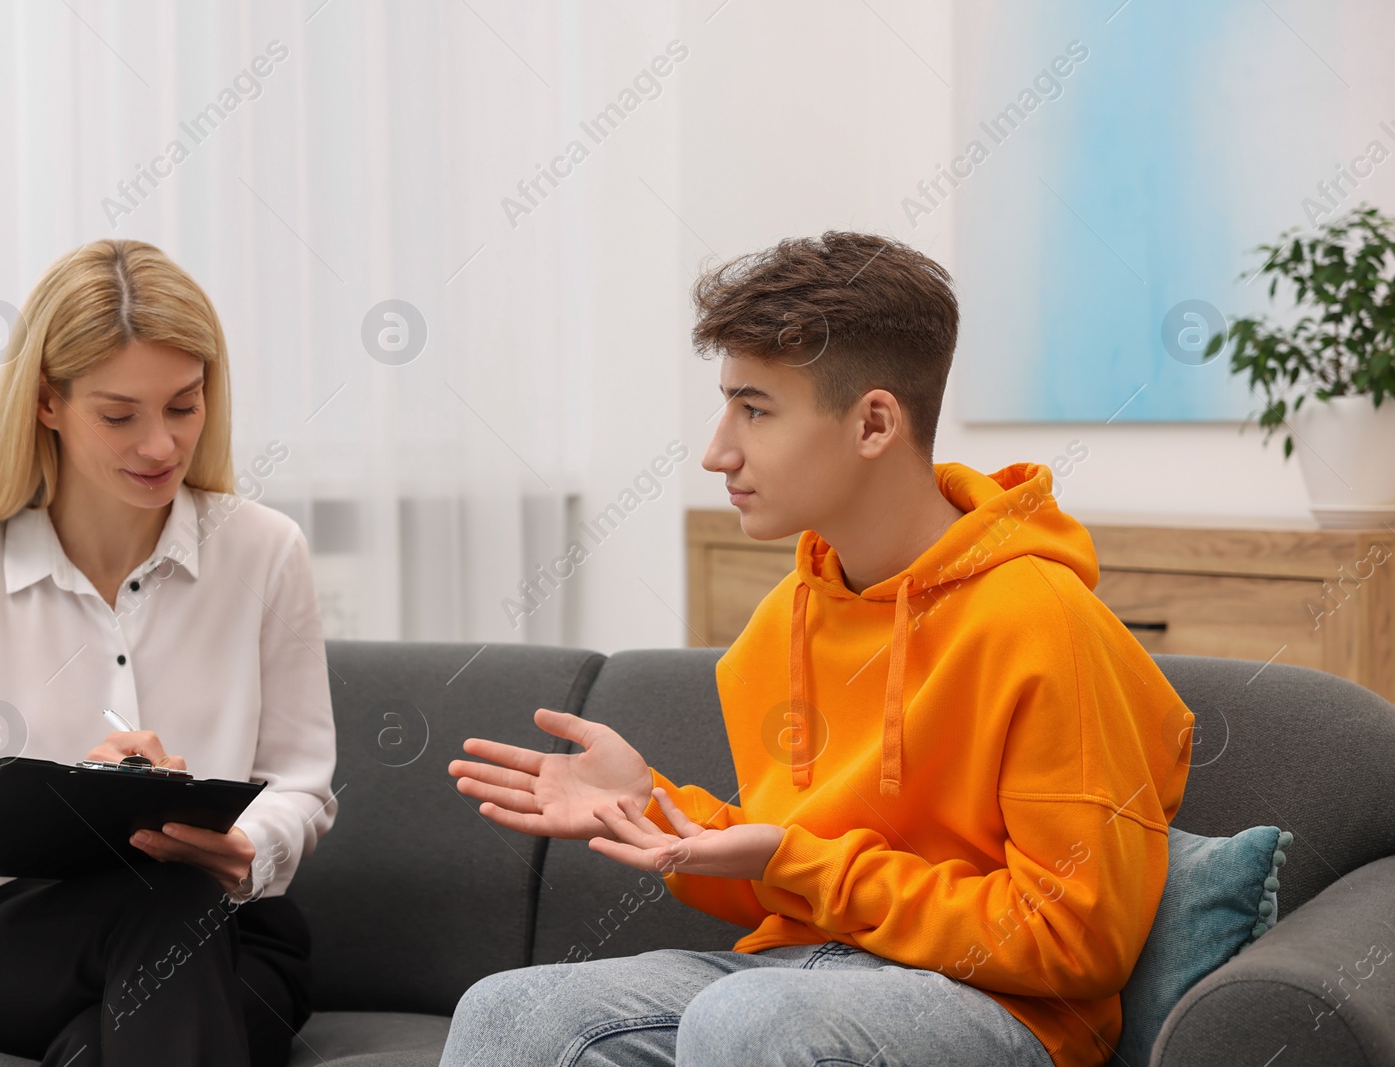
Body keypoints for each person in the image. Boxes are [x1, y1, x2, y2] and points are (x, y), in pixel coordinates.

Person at [444, 231, 1194, 1067]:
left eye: (755, 409)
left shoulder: (1044, 620)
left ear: (874, 421)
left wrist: (803, 864)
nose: (716, 450)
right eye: (726, 403)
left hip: (1005, 1007)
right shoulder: (784, 618)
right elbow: (791, 864)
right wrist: (650, 806)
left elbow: (1079, 942)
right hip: (795, 973)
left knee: (750, 1022)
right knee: (511, 1012)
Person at [0, 238, 338, 1066]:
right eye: (120, 414)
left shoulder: (267, 551)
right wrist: (64, 810)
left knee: (123, 1003)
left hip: (231, 933)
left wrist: (248, 847)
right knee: (159, 903)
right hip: (22, 938)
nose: (161, 445)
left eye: (185, 405)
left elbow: (303, 782)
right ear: (48, 404)